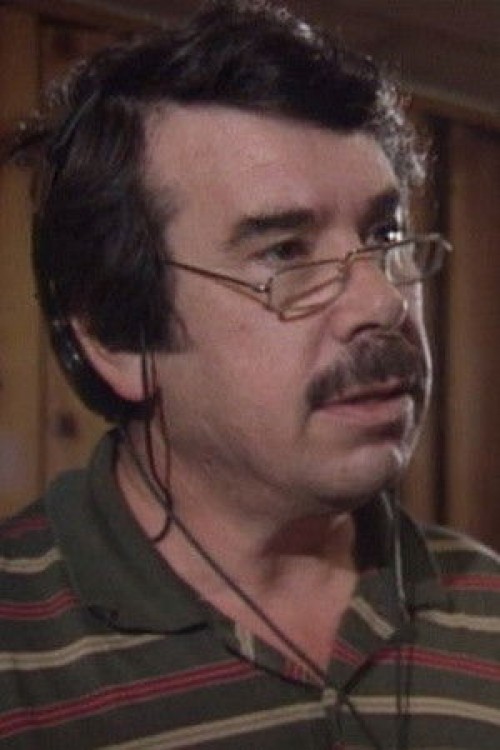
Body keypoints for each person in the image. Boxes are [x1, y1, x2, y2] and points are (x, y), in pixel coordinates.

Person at [1, 1, 499, 748]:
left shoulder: (487, 609)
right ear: (115, 336)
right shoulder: (18, 650)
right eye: (285, 252)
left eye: (384, 234)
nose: (383, 302)